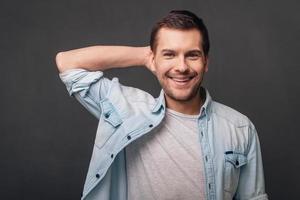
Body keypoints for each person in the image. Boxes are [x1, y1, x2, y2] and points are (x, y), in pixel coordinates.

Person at [56, 10, 268, 200]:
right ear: (153, 60)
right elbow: (67, 63)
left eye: (192, 55)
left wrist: (162, 56)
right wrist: (145, 56)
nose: (182, 67)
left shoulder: (240, 128)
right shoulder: (127, 110)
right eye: (170, 55)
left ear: (206, 62)